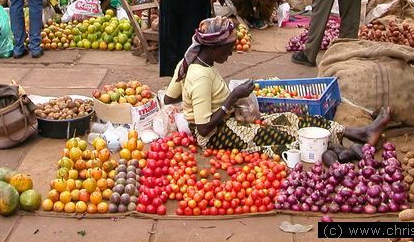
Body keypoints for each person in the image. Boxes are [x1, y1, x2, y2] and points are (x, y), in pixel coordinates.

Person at [163, 16, 391, 154]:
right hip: (216, 135)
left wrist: (187, 100)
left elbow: (167, 98)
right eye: (229, 47)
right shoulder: (200, 76)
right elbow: (204, 129)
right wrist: (232, 98)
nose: (232, 51)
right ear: (213, 48)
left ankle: (359, 133)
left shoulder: (189, 61)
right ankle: (340, 150)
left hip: (230, 119)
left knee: (292, 119)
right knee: (281, 137)